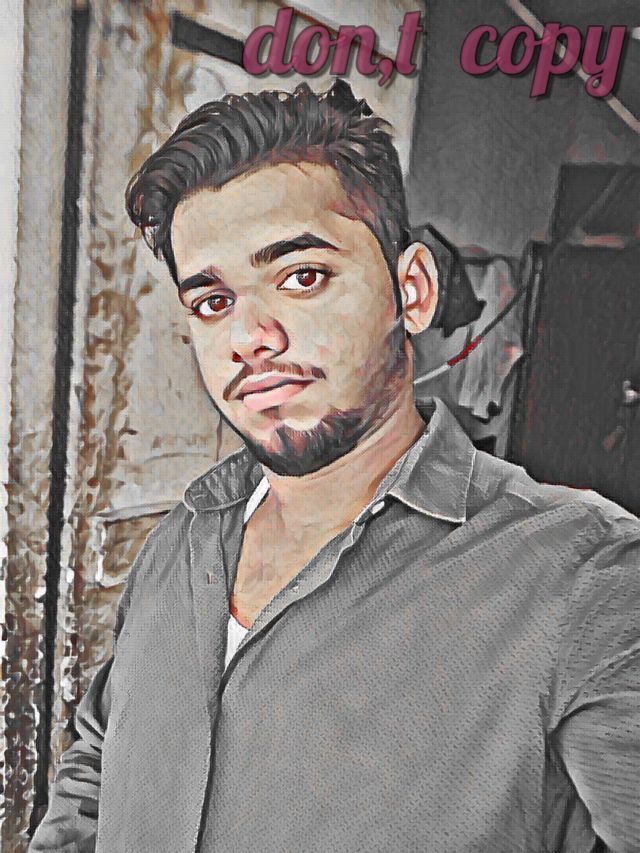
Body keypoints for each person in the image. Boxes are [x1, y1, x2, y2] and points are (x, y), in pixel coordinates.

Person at [30, 80, 640, 853]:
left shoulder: (584, 573)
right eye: (213, 301)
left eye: (302, 276)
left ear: (412, 291)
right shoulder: (185, 536)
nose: (250, 336)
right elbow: (100, 753)